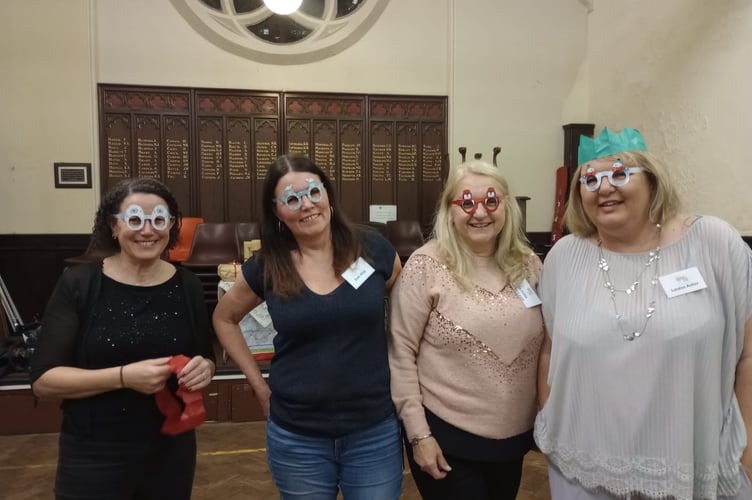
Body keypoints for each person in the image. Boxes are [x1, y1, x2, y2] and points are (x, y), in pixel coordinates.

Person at [535, 127, 752, 500]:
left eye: (619, 174)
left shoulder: (714, 243)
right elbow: (550, 352)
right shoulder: (564, 258)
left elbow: (747, 356)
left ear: (652, 181)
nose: (604, 188)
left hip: (688, 462)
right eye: (590, 180)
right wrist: (550, 421)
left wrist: (748, 453)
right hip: (582, 469)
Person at [212, 154, 404, 500]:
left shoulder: (373, 248)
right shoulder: (267, 265)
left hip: (372, 429)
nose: (307, 205)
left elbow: (406, 312)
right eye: (291, 199)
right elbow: (224, 318)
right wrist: (258, 385)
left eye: (314, 192)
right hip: (297, 436)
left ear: (327, 194)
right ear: (277, 211)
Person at [30, 178, 216, 500]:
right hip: (94, 451)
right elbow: (44, 382)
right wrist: (123, 377)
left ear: (171, 226)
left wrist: (206, 369)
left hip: (171, 451)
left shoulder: (188, 286)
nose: (148, 230)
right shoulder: (80, 284)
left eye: (159, 219)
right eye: (134, 219)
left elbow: (204, 356)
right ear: (113, 227)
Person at [389, 160, 545, 500]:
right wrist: (418, 435)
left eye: (491, 201)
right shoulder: (426, 266)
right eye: (467, 203)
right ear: (449, 210)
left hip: (513, 439)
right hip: (446, 438)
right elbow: (401, 354)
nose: (480, 213)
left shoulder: (529, 264)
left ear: (506, 205)